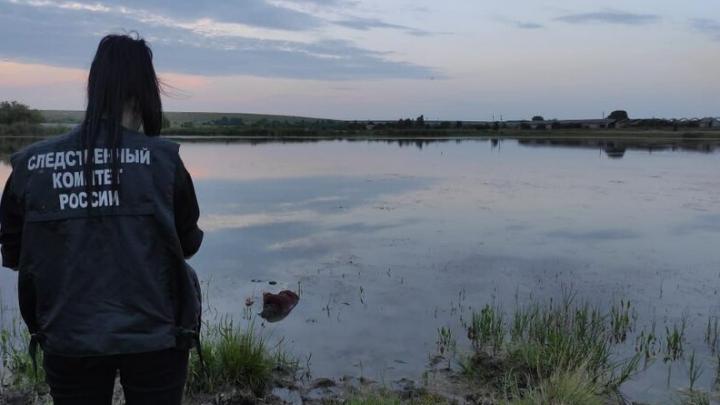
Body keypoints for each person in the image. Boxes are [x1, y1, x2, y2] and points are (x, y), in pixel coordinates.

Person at [0, 34, 203, 405]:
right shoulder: (164, 162)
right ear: (143, 92)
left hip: (67, 337)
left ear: (94, 87)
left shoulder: (30, 165)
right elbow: (187, 246)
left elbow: (15, 256)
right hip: (155, 338)